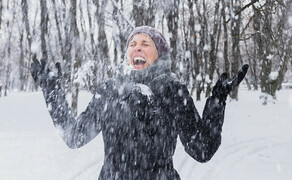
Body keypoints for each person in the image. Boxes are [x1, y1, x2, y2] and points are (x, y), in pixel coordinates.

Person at [30, 26, 249, 180]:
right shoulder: (110, 90)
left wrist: (218, 100)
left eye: (145, 43)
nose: (137, 48)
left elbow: (201, 149)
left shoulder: (172, 90)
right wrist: (52, 91)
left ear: (159, 53)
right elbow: (74, 136)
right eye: (133, 44)